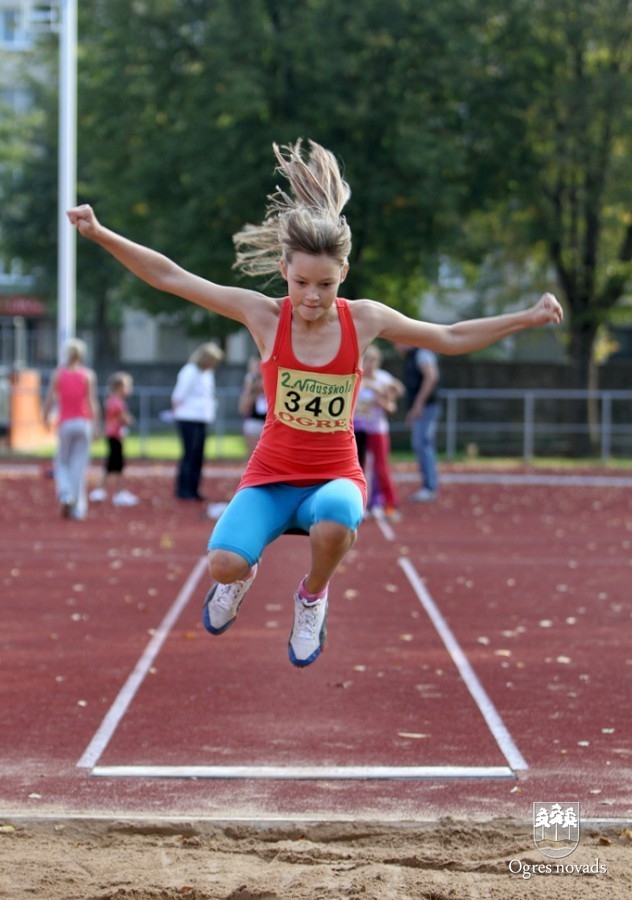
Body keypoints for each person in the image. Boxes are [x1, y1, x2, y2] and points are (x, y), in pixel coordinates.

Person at [67, 138, 563, 668]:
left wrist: (526, 317)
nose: (311, 296)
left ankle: (312, 597)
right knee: (223, 564)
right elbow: (171, 277)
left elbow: (449, 335)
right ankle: (243, 577)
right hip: (271, 478)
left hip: (334, 476)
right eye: (301, 281)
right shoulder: (264, 316)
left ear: (343, 276)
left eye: (325, 284)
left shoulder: (364, 319)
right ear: (284, 270)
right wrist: (99, 234)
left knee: (336, 522)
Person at [42, 338, 100, 520]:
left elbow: (50, 398)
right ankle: (78, 508)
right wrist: (96, 425)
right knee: (79, 466)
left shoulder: (58, 374)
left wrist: (44, 417)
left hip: (65, 422)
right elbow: (91, 401)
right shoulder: (87, 375)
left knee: (62, 462)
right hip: (83, 423)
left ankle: (66, 493)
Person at [353, 344, 404, 520]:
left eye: (374, 361)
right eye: (367, 361)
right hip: (358, 429)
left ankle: (390, 505)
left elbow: (395, 395)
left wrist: (385, 396)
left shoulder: (383, 378)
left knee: (381, 468)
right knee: (358, 468)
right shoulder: (356, 377)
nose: (370, 365)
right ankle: (360, 505)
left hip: (377, 429)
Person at [171, 342, 224, 501]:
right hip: (188, 417)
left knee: (198, 455)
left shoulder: (207, 374)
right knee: (189, 454)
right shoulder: (190, 371)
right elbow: (179, 395)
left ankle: (194, 488)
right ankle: (184, 489)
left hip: (202, 417)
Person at [90, 371, 139, 507]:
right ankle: (119, 492)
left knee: (112, 464)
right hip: (115, 435)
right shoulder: (116, 402)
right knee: (117, 465)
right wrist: (129, 420)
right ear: (119, 387)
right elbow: (123, 418)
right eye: (127, 386)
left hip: (112, 435)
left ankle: (100, 490)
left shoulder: (111, 400)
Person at [399, 345, 441, 502]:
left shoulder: (422, 353)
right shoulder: (411, 356)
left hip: (427, 407)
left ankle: (430, 487)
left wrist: (419, 404)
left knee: (423, 443)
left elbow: (431, 376)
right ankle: (429, 485)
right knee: (421, 444)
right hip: (423, 407)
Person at [238, 356, 268, 457]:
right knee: (254, 454)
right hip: (254, 421)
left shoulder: (272, 383)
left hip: (270, 423)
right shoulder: (250, 385)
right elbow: (243, 409)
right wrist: (252, 390)